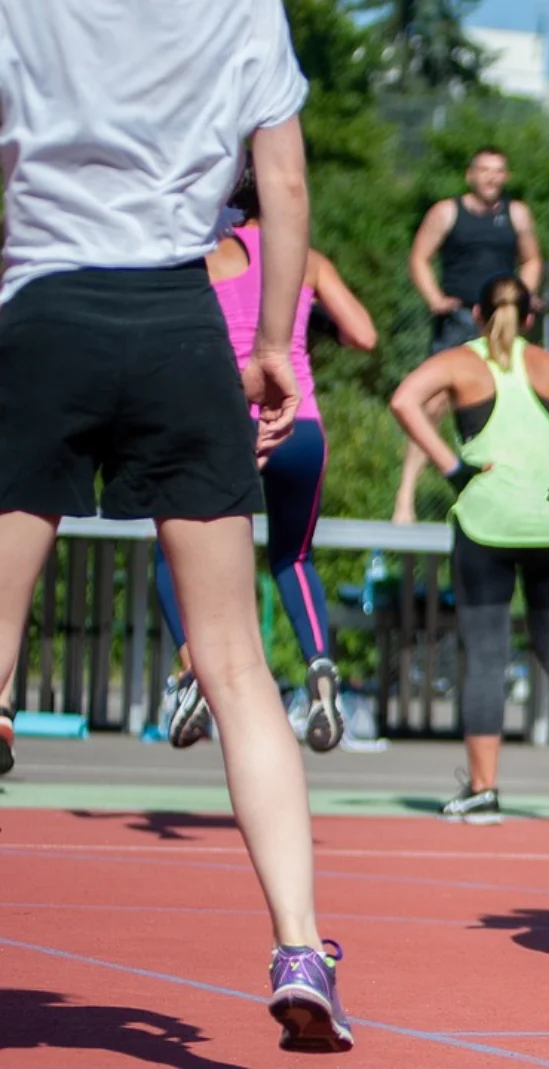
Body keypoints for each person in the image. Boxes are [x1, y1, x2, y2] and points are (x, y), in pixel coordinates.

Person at [0, 1, 353, 1050]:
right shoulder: (241, 6)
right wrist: (281, 337)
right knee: (237, 664)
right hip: (176, 325)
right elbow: (282, 183)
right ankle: (299, 945)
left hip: (45, 313)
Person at [389, 275, 549, 824]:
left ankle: (482, 791)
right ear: (530, 318)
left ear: (477, 313)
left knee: (486, 653)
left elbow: (403, 399)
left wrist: (451, 468)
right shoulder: (547, 364)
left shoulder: (459, 362)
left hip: (487, 521)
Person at [159, 170, 379, 755]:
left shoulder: (210, 256)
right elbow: (364, 334)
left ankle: (193, 676)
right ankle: (321, 668)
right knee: (293, 555)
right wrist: (315, 322)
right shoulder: (308, 260)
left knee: (172, 553)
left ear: (228, 202)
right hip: (303, 426)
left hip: (234, 422)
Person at [395, 146, 545, 524]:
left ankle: (512, 494)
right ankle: (405, 499)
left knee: (511, 401)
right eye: (484, 170)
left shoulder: (517, 214)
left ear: (506, 176)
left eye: (498, 170)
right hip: (459, 317)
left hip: (503, 322)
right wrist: (434, 299)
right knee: (431, 405)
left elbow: (531, 259)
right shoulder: (447, 212)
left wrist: (523, 296)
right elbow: (418, 257)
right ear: (470, 174)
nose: (491, 177)